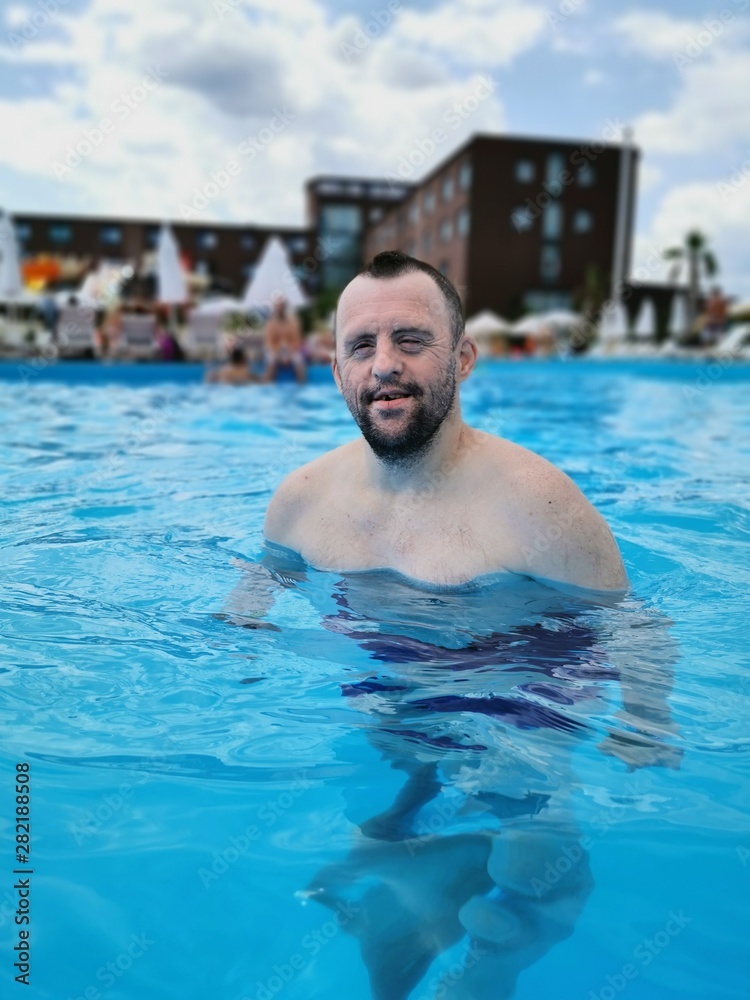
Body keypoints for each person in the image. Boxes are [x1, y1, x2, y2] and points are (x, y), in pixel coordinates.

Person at [264, 251, 627, 593]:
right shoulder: (297, 504)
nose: (383, 364)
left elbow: (629, 647)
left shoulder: (544, 512)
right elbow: (245, 635)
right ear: (339, 374)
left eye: (410, 340)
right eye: (362, 346)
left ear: (464, 359)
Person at [262, 296, 307, 384]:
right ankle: (267, 386)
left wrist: (289, 354)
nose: (280, 309)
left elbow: (296, 340)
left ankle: (301, 386)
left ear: (285, 307)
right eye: (278, 306)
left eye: (281, 306)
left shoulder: (293, 322)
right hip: (275, 350)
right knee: (271, 364)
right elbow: (269, 343)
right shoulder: (271, 324)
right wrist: (279, 355)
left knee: (300, 364)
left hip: (290, 350)